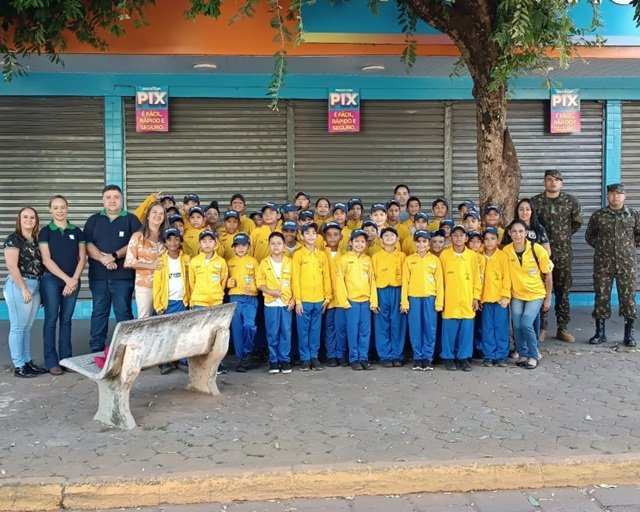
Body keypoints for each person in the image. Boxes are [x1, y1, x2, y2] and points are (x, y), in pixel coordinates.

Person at [84, 185, 141, 353]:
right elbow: (87, 244)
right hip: (98, 277)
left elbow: (135, 244)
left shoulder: (131, 220)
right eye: (108, 197)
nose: (112, 200)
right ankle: (96, 348)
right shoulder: (93, 220)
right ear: (103, 200)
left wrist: (114, 256)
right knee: (99, 312)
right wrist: (104, 259)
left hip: (123, 277)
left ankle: (128, 347)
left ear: (121, 199)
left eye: (116, 197)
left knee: (123, 313)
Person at [531, 169, 583, 344]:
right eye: (549, 179)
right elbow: (530, 224)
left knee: (563, 291)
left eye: (556, 180)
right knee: (540, 290)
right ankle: (542, 327)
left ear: (562, 183)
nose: (553, 182)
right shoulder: (535, 202)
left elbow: (577, 223)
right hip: (540, 253)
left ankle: (563, 327)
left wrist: (563, 236)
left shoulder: (571, 201)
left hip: (563, 254)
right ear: (544, 182)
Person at [585, 183, 640, 347]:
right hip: (603, 264)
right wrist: (603, 248)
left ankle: (628, 334)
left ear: (625, 196)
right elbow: (590, 236)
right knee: (601, 297)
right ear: (607, 196)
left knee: (628, 298)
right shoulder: (598, 215)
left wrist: (627, 248)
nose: (615, 197)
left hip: (626, 264)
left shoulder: (633, 215)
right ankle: (600, 333)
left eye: (618, 194)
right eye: (612, 194)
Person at [38, 195, 86, 375]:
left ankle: (66, 359)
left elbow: (82, 258)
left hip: (73, 280)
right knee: (51, 319)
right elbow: (46, 260)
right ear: (50, 210)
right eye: (56, 207)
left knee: (66, 320)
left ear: (67, 208)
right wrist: (67, 279)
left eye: (62, 207)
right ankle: (51, 362)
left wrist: (74, 279)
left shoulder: (77, 231)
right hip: (51, 280)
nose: (59, 211)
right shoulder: (45, 232)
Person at [503, 220, 553, 369]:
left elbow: (548, 275)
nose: (517, 234)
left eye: (521, 231)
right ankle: (523, 353)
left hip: (535, 294)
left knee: (526, 323)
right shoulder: (506, 251)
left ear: (526, 233)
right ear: (509, 233)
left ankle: (533, 354)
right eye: (514, 231)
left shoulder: (537, 249)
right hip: (517, 294)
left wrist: (548, 298)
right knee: (517, 326)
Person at [3, 207, 46, 378]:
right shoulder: (13, 239)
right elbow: (12, 266)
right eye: (25, 217)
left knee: (27, 327)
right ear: (19, 220)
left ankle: (27, 361)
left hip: (36, 284)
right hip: (19, 285)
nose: (29, 220)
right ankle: (19, 365)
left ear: (36, 220)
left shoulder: (37, 240)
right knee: (17, 327)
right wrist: (23, 288)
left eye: (32, 217)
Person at [439, 225, 482, 372]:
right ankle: (448, 357)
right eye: (455, 235)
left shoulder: (472, 256)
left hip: (467, 298)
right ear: (450, 237)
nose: (458, 238)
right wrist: (441, 299)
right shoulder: (445, 255)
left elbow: (476, 278)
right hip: (450, 299)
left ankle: (464, 357)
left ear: (466, 238)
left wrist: (476, 297)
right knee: (449, 330)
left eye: (461, 235)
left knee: (466, 329)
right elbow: (440, 279)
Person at [335, 229, 378, 371]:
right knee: (353, 331)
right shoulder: (344, 259)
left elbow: (372, 280)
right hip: (351, 301)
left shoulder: (367, 260)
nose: (359, 244)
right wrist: (344, 301)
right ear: (351, 242)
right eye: (357, 241)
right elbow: (339, 281)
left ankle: (363, 358)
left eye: (362, 241)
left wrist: (373, 301)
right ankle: (354, 358)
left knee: (365, 331)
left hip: (365, 301)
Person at [400, 230, 443, 371]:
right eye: (418, 241)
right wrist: (404, 302)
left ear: (429, 243)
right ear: (414, 243)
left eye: (424, 241)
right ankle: (418, 358)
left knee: (430, 329)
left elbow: (439, 283)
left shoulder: (435, 260)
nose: (421, 244)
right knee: (415, 329)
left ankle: (428, 358)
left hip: (430, 298)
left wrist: (439, 302)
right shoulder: (409, 260)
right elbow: (405, 282)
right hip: (414, 298)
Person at [291, 222, 332, 371]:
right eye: (307, 233)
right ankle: (304, 358)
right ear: (301, 236)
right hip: (304, 300)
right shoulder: (298, 255)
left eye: (314, 233)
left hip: (319, 299)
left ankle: (314, 356)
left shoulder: (321, 255)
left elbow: (326, 276)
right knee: (303, 330)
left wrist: (327, 297)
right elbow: (295, 278)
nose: (311, 236)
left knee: (315, 330)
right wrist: (298, 300)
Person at [153, 227, 191, 375]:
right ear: (165, 243)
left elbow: (191, 281)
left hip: (182, 301)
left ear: (180, 241)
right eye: (169, 239)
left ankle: (183, 361)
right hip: (167, 302)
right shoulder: (161, 261)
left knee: (183, 332)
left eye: (176, 239)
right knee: (166, 333)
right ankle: (165, 362)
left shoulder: (186, 259)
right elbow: (157, 285)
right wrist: (158, 305)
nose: (173, 242)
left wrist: (190, 301)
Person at [257, 232, 295, 374]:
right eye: (273, 243)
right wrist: (270, 291)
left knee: (286, 332)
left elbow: (295, 282)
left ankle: (284, 359)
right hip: (271, 303)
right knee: (272, 332)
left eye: (279, 243)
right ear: (269, 246)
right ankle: (273, 360)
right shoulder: (264, 263)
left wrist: (294, 299)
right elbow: (259, 282)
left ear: (284, 246)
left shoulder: (290, 262)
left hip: (286, 302)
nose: (276, 246)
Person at [372, 226, 406, 368]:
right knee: (382, 325)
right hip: (381, 292)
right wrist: (374, 300)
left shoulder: (402, 256)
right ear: (381, 240)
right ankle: (385, 355)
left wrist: (404, 299)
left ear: (397, 239)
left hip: (397, 291)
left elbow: (406, 279)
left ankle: (397, 355)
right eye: (386, 236)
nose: (389, 238)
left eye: (392, 236)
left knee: (398, 324)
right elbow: (372, 279)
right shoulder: (376, 257)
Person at [124, 202, 166, 318]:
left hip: (163, 285)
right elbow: (129, 262)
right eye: (154, 212)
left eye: (161, 213)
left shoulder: (166, 236)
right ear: (148, 216)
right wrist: (150, 265)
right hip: (145, 285)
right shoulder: (138, 236)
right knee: (144, 318)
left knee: (163, 319)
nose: (158, 215)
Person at [479, 227, 511, 367]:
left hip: (499, 299)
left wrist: (505, 295)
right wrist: (478, 297)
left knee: (501, 327)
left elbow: (507, 277)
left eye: (492, 239)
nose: (489, 242)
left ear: (497, 240)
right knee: (487, 328)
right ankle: (489, 355)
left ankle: (501, 355)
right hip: (485, 298)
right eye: (486, 239)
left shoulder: (503, 256)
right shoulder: (479, 256)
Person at [227, 233, 259, 372]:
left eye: (244, 245)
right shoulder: (229, 262)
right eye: (237, 245)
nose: (240, 248)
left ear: (249, 246)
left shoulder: (253, 262)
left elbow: (260, 280)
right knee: (237, 330)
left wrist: (253, 287)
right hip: (234, 299)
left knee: (249, 325)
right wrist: (228, 283)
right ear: (233, 247)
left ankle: (248, 351)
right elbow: (223, 280)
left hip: (250, 299)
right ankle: (242, 360)